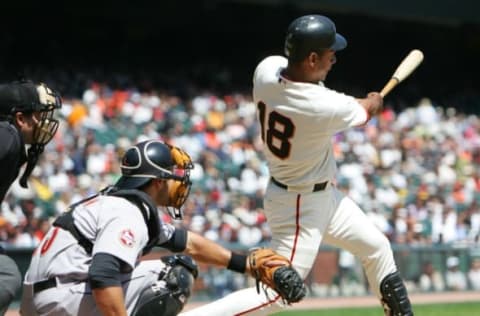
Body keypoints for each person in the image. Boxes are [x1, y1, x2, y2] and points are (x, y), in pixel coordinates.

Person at [181, 14, 413, 316]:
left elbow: (342, 100)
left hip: (319, 196)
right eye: (330, 54)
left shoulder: (265, 71)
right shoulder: (322, 104)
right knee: (278, 293)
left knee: (376, 246)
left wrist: (366, 103)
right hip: (300, 203)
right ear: (313, 57)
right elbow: (366, 108)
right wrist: (374, 99)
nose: (334, 60)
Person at [19, 140, 265, 316]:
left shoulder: (115, 202)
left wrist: (245, 265)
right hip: (61, 301)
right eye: (172, 177)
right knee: (172, 275)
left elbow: (188, 243)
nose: (178, 183)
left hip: (39, 300)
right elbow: (103, 273)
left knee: (176, 262)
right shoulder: (128, 211)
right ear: (158, 181)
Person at [0, 80, 62, 315]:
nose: (42, 122)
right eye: (37, 115)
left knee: (6, 273)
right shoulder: (7, 135)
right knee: (5, 275)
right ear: (20, 118)